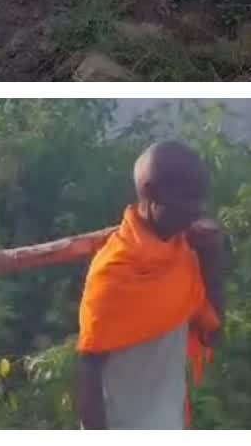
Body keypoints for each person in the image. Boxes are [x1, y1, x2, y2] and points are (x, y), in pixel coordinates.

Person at [77, 141, 226, 429]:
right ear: (151, 193)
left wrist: (211, 258)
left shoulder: (184, 255)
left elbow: (213, 334)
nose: (198, 211)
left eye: (200, 200)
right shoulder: (114, 270)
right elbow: (89, 371)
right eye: (188, 199)